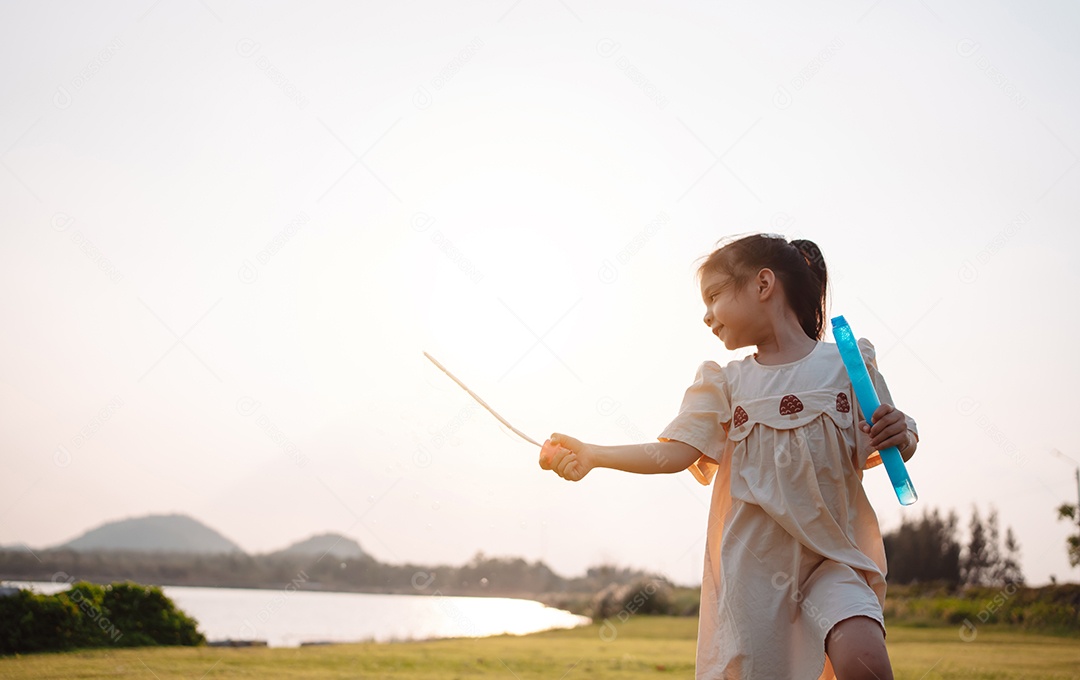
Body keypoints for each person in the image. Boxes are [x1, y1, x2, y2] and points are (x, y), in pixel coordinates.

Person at [540, 233, 918, 680]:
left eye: (714, 296)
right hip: (753, 578)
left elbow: (895, 439)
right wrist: (594, 454)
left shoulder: (850, 365)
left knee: (866, 662)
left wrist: (902, 433)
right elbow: (674, 453)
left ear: (763, 284)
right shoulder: (724, 384)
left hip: (834, 560)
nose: (706, 315)